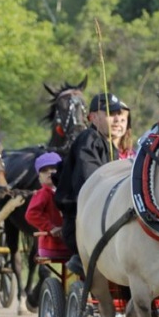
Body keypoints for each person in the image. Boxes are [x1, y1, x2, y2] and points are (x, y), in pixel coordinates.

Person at [54, 92, 130, 276]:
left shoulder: (109, 145)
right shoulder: (89, 139)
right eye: (110, 114)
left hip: (106, 220)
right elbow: (92, 182)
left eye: (119, 114)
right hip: (82, 226)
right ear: (93, 117)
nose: (117, 119)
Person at [26, 152, 70, 260]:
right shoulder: (43, 193)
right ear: (39, 178)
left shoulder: (67, 192)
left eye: (53, 168)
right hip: (51, 246)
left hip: (68, 244)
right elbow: (31, 214)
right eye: (44, 170)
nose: (49, 172)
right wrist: (51, 227)